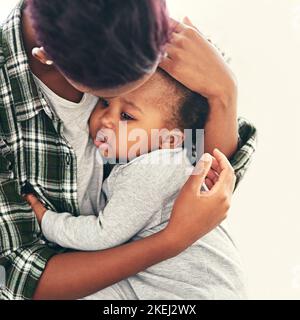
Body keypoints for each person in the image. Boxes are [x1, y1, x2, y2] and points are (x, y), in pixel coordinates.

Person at [0, 0, 256, 300]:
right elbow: (20, 277)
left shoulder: (142, 31)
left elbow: (208, 176)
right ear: (48, 55)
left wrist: (222, 92)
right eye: (106, 99)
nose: (106, 119)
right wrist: (170, 240)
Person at [27, 69, 246, 299]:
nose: (107, 119)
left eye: (127, 117)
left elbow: (102, 235)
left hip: (191, 290)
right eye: (103, 103)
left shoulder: (154, 169)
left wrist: (47, 220)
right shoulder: (172, 157)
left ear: (170, 139)